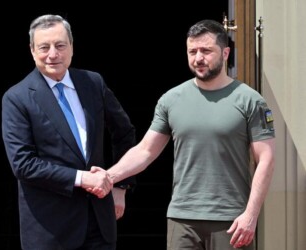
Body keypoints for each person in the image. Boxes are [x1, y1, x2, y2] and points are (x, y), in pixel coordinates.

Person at [102, 19, 275, 250]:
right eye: (192, 51)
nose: (198, 58)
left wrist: (251, 215)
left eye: (206, 51)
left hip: (232, 220)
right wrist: (109, 176)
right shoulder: (171, 100)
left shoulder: (250, 100)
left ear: (225, 53)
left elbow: (266, 159)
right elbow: (145, 151)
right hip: (182, 218)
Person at [1, 14, 136, 250]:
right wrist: (84, 178)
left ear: (72, 47)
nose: (53, 54)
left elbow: (124, 132)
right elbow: (23, 164)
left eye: (60, 45)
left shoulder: (93, 83)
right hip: (50, 230)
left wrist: (119, 184)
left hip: (99, 223)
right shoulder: (17, 98)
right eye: (44, 47)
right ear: (32, 51)